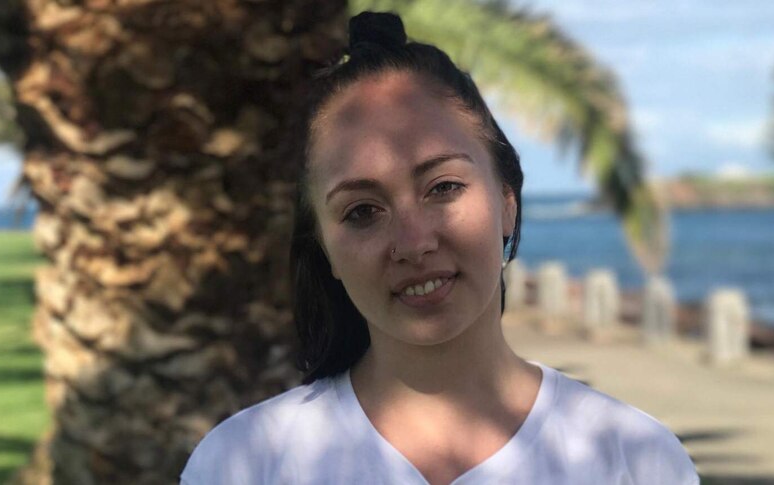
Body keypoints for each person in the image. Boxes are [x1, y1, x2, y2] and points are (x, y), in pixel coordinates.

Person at [181, 11, 699, 485]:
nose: (413, 243)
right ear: (324, 249)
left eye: (443, 188)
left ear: (507, 200)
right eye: (362, 212)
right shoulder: (243, 463)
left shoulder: (635, 459)